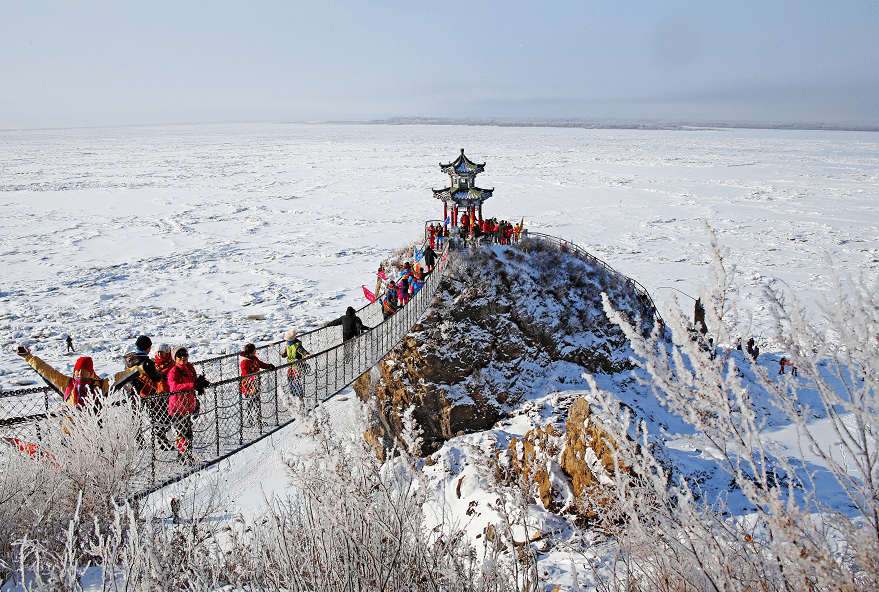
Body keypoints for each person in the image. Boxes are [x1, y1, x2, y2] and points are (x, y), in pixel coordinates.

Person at [18, 347, 110, 434]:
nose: (80, 374)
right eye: (78, 370)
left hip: (92, 432)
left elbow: (119, 377)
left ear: (90, 373)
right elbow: (48, 372)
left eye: (84, 371)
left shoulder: (99, 385)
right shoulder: (67, 384)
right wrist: (29, 357)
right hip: (69, 433)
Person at [124, 335, 169, 449]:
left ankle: (139, 442)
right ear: (148, 348)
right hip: (148, 393)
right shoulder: (146, 362)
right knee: (157, 416)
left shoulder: (129, 360)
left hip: (132, 392)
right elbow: (157, 377)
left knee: (136, 418)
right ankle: (160, 439)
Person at [167, 346, 207, 464]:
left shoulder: (189, 369)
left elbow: (192, 382)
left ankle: (184, 455)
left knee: (187, 433)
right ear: (175, 358)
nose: (183, 357)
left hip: (187, 406)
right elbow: (173, 387)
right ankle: (184, 457)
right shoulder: (173, 372)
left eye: (185, 355)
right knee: (182, 433)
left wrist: (198, 383)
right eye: (180, 355)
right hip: (177, 408)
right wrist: (192, 385)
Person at [239, 343, 274, 426]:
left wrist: (268, 366)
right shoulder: (244, 362)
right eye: (254, 350)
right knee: (250, 403)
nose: (256, 351)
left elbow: (260, 364)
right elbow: (245, 374)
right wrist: (254, 378)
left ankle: (259, 420)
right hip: (248, 386)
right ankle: (250, 420)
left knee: (257, 403)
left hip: (255, 384)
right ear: (251, 352)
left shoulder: (254, 358)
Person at [282, 330, 310, 396]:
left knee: (296, 380)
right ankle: (292, 391)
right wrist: (284, 355)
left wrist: (306, 354)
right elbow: (286, 352)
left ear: (289, 340)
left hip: (297, 365)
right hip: (290, 365)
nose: (286, 341)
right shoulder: (288, 346)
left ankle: (300, 393)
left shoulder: (296, 346)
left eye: (286, 340)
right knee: (289, 378)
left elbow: (302, 351)